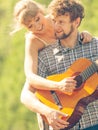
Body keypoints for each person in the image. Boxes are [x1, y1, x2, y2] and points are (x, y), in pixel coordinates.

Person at [12, 0, 94, 130]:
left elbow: (71, 26)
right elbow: (30, 77)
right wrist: (58, 86)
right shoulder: (33, 40)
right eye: (30, 26)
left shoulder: (55, 17)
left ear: (42, 12)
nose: (37, 26)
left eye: (37, 19)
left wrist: (85, 33)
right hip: (54, 93)